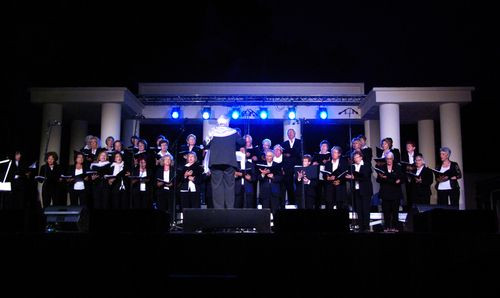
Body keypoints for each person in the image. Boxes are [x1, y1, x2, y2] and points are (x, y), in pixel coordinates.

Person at [206, 115, 245, 209]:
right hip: (229, 162)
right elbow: (242, 143)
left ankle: (219, 210)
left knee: (216, 186)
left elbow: (205, 144)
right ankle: (229, 209)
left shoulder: (212, 132)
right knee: (229, 186)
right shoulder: (233, 132)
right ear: (227, 123)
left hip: (215, 162)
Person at [376, 152, 404, 232]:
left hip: (395, 192)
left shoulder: (397, 167)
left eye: (390, 159)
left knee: (395, 212)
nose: (389, 160)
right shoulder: (382, 167)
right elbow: (378, 180)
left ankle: (395, 227)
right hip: (385, 192)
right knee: (386, 211)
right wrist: (382, 177)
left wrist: (399, 180)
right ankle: (386, 227)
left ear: (393, 159)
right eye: (387, 159)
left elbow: (402, 178)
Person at [346, 151, 373, 232]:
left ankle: (366, 227)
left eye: (357, 157)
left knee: (365, 209)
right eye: (354, 158)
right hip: (356, 190)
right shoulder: (352, 166)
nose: (355, 159)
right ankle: (361, 227)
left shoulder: (366, 165)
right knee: (358, 209)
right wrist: (349, 177)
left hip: (365, 190)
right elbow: (350, 176)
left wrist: (354, 177)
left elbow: (365, 176)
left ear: (361, 157)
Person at [324, 146, 349, 210]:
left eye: (335, 152)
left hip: (340, 188)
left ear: (339, 154)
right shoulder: (328, 163)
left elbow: (345, 175)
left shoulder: (343, 163)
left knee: (340, 207)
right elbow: (324, 175)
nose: (333, 154)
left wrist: (339, 181)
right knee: (329, 206)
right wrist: (328, 178)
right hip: (330, 188)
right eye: (332, 152)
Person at [258, 150, 283, 214]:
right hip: (265, 191)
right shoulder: (261, 165)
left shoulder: (277, 165)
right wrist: (263, 174)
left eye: (270, 156)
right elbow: (258, 178)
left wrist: (273, 177)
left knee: (275, 212)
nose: (268, 157)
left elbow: (281, 177)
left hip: (275, 191)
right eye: (267, 156)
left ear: (273, 157)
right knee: (265, 212)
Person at [281, 129, 302, 206]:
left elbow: (299, 153)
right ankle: (291, 202)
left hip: (297, 165)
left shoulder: (299, 142)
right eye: (289, 133)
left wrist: (290, 154)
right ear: (287, 134)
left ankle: (298, 201)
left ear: (295, 133)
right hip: (287, 167)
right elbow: (283, 156)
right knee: (289, 185)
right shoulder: (284, 144)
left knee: (298, 183)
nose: (290, 134)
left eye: (292, 133)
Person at [156, 154, 176, 223]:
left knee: (171, 208)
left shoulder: (174, 170)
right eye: (166, 159)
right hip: (161, 191)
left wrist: (172, 184)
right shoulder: (159, 170)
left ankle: (171, 223)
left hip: (171, 191)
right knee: (161, 209)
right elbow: (156, 182)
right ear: (163, 161)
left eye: (169, 159)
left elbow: (177, 182)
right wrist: (159, 184)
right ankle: (161, 223)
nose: (167, 161)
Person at [313, 140, 331, 209]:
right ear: (320, 147)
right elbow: (313, 163)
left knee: (327, 193)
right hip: (318, 176)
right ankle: (317, 207)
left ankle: (328, 207)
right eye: (322, 146)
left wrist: (321, 162)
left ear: (327, 148)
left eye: (325, 146)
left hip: (327, 176)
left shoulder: (330, 154)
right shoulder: (316, 155)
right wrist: (320, 162)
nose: (323, 147)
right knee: (318, 193)